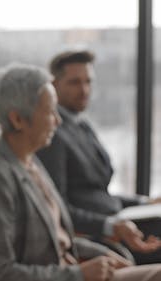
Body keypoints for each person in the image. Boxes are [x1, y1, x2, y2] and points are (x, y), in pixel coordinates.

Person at [0, 63, 161, 281]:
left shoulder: (30, 163)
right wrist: (79, 274)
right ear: (18, 119)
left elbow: (57, 240)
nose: (58, 120)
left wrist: (102, 256)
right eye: (49, 112)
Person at [36, 50, 161, 264]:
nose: (84, 90)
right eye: (75, 82)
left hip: (119, 222)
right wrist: (110, 226)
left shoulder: (81, 125)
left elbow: (99, 193)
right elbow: (58, 208)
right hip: (99, 233)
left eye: (88, 82)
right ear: (54, 84)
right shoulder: (52, 136)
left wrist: (144, 202)